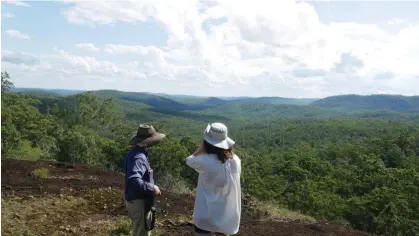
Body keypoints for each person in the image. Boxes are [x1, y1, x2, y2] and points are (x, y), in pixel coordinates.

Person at [185, 123, 242, 236]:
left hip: (205, 210)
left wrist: (200, 150)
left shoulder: (205, 160)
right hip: (226, 212)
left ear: (207, 143)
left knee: (202, 230)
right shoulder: (236, 160)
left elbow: (189, 160)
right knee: (223, 231)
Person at [123, 124, 166, 236]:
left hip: (137, 201)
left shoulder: (136, 153)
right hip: (139, 203)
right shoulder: (139, 157)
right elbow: (133, 180)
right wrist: (152, 188)